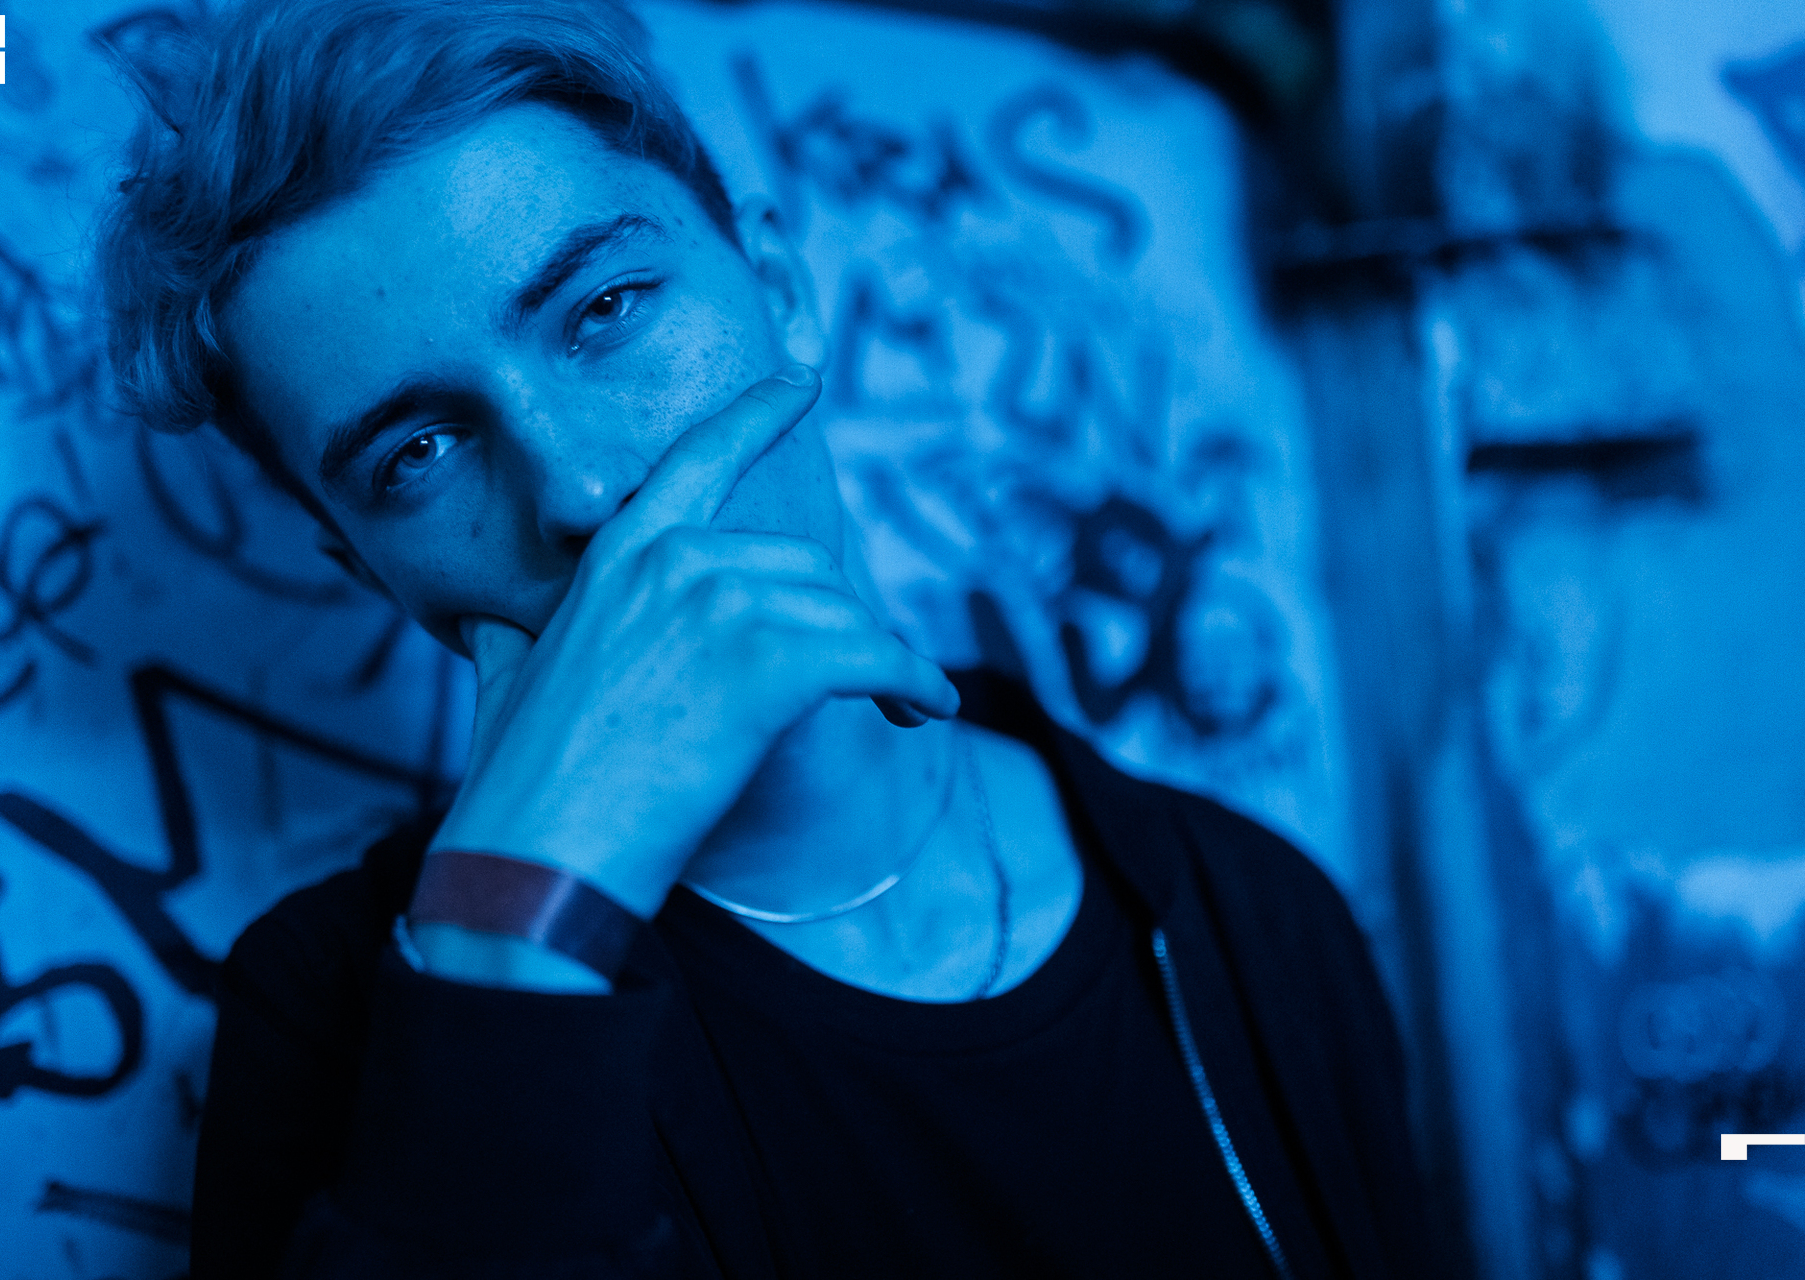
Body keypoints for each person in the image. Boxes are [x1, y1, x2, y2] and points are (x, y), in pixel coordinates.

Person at [98, 1, 1437, 1275]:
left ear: (782, 294)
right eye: (419, 453)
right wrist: (512, 942)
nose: (581, 491)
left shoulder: (1248, 915)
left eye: (604, 311)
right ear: (366, 567)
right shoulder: (330, 1015)